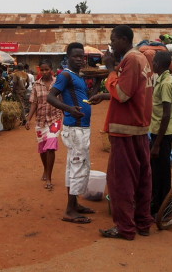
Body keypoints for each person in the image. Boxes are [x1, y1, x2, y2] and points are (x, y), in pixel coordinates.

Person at [89, 25, 154, 240]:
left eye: (113, 39)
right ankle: (143, 223)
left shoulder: (131, 60)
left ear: (124, 39)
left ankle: (125, 228)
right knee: (142, 178)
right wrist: (105, 96)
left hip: (125, 130)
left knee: (121, 181)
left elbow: (123, 93)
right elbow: (133, 93)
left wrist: (110, 70)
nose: (111, 43)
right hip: (139, 128)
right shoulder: (142, 59)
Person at [47, 42, 95, 224]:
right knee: (77, 165)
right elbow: (50, 96)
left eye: (82, 56)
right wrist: (69, 109)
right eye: (75, 56)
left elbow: (85, 99)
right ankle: (69, 210)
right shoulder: (65, 75)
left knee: (75, 165)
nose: (80, 59)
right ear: (68, 58)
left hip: (81, 126)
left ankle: (74, 204)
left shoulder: (79, 77)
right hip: (75, 127)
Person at [150, 51, 172, 216]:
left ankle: (164, 209)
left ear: (158, 64)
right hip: (158, 132)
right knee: (157, 171)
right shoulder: (162, 80)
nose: (152, 64)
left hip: (162, 134)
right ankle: (157, 205)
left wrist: (157, 143)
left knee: (162, 173)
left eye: (153, 62)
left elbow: (166, 114)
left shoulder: (166, 83)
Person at [25, 60, 63, 190]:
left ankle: (49, 179)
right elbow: (34, 103)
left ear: (51, 69)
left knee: (51, 146)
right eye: (42, 70)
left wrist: (68, 114)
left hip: (55, 119)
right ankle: (46, 170)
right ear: (39, 70)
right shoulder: (36, 84)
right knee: (42, 149)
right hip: (40, 120)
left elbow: (62, 100)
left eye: (47, 69)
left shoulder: (58, 83)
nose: (45, 72)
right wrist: (28, 119)